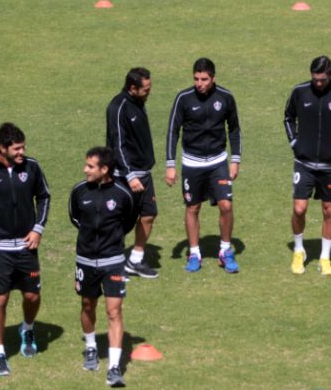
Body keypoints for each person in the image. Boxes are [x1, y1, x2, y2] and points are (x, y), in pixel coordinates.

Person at [0, 122, 51, 377]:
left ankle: (27, 328)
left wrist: (38, 228)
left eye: (23, 147)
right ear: (1, 148)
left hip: (27, 247)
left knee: (32, 297)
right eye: (16, 148)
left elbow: (44, 196)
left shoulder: (32, 167)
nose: (21, 152)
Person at [165, 57, 242, 273]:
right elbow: (173, 131)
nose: (199, 83)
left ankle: (225, 251)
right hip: (192, 163)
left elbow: (234, 129)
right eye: (196, 79)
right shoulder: (183, 98)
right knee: (193, 207)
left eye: (204, 79)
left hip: (218, 161)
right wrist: (170, 164)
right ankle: (195, 253)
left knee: (226, 205)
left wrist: (235, 160)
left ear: (213, 78)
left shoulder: (225, 97)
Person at [69, 146, 137, 387]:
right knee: (87, 305)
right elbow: (75, 217)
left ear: (104, 169)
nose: (85, 169)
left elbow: (128, 220)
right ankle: (90, 347)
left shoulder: (122, 194)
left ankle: (115, 367)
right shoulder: (79, 191)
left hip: (113, 261)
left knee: (114, 312)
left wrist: (110, 240)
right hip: (85, 260)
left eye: (90, 166)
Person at [284, 55, 331, 275]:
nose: (318, 83)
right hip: (304, 162)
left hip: (329, 165)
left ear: (330, 75)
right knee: (299, 209)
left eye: (322, 80)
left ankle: (325, 258)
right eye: (315, 79)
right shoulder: (300, 92)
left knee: (329, 210)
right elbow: (288, 118)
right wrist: (295, 142)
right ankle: (299, 250)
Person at [106, 67, 159, 279]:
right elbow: (117, 145)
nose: (149, 93)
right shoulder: (118, 108)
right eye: (145, 90)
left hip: (144, 172)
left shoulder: (139, 103)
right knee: (120, 222)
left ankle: (135, 261)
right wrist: (129, 175)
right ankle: (113, 265)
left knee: (149, 214)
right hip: (125, 175)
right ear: (132, 88)